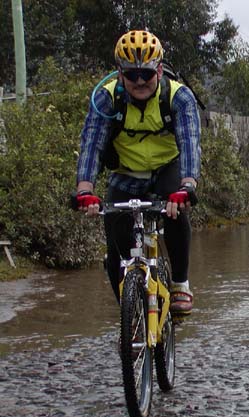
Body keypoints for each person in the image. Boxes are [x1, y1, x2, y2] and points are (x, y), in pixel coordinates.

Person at [73, 30, 201, 316]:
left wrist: (188, 185)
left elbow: (190, 143)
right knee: (115, 247)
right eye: (132, 75)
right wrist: (85, 190)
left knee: (177, 209)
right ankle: (130, 319)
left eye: (146, 73)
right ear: (120, 74)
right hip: (126, 172)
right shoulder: (106, 100)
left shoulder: (178, 97)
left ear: (158, 69)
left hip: (168, 167)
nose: (140, 81)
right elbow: (91, 144)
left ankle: (180, 282)